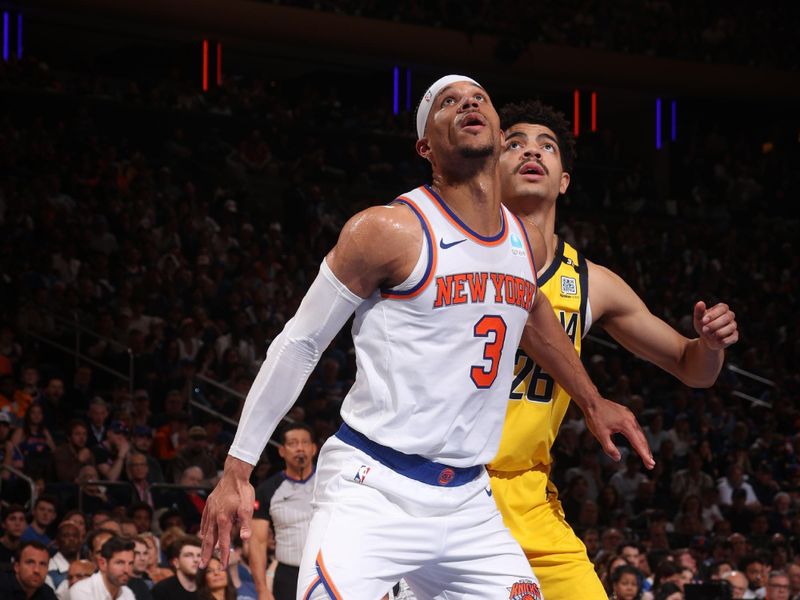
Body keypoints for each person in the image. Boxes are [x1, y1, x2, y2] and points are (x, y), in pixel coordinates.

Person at [201, 75, 652, 599]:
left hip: (468, 502)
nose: (468, 103)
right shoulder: (388, 230)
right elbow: (300, 342)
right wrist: (238, 469)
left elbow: (532, 316)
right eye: (448, 102)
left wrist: (593, 402)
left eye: (479, 97)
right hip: (374, 488)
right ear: (425, 146)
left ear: (497, 127)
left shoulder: (522, 243)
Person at [488, 98, 740, 600]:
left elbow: (692, 368)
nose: (531, 152)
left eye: (547, 146)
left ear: (563, 180)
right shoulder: (449, 253)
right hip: (441, 483)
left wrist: (710, 344)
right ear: (489, 168)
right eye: (513, 144)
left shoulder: (592, 283)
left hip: (529, 493)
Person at [251, 423, 317, 600]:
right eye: (293, 443)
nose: (300, 448)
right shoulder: (267, 490)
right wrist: (262, 589)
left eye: (305, 442)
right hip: (288, 575)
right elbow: (257, 542)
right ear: (282, 451)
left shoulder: (330, 483)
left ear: (314, 449)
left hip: (328, 571)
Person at [70, 535, 136, 600]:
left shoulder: (128, 593)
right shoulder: (81, 591)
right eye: (120, 563)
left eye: (130, 563)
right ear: (102, 564)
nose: (126, 570)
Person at [151, 535, 202, 600]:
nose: (196, 560)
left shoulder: (207, 589)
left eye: (199, 555)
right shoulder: (162, 590)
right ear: (176, 563)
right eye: (189, 555)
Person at [47, 521, 82, 589]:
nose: (71, 539)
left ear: (80, 541)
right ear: (57, 542)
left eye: (75, 536)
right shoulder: (49, 569)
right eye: (66, 536)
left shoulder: (86, 565)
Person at [0, 504, 27, 569]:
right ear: (3, 524)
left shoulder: (27, 549)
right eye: (12, 519)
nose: (17, 523)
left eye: (21, 519)